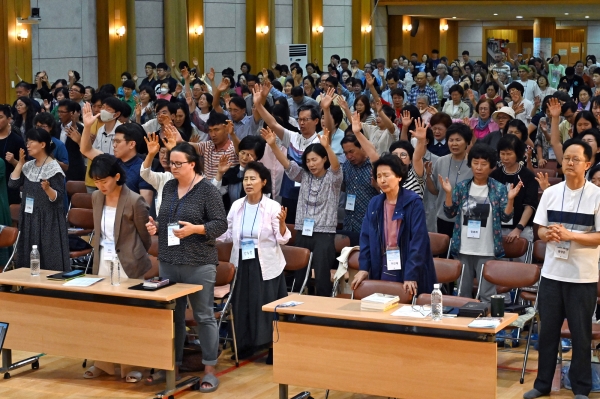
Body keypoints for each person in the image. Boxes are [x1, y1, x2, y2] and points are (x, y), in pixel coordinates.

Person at [145, 142, 227, 392]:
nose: (173, 167)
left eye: (178, 163)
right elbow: (165, 219)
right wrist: (156, 227)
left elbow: (220, 224)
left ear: (193, 164)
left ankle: (210, 368)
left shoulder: (207, 190)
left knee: (203, 316)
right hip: (169, 260)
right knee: (173, 316)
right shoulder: (169, 186)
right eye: (171, 163)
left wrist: (196, 229)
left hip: (199, 262)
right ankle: (174, 365)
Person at [524, 139, 600, 399]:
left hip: (582, 276)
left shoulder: (597, 195)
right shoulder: (552, 192)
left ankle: (581, 388)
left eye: (575, 159)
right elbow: (540, 229)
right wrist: (549, 235)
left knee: (580, 334)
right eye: (566, 157)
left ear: (587, 164)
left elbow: (599, 236)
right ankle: (542, 384)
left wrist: (571, 236)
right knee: (547, 332)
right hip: (551, 274)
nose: (569, 162)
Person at [83, 154, 152, 382]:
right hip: (103, 263)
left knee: (130, 318)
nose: (100, 185)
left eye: (104, 180)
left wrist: (132, 255)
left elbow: (145, 237)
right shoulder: (95, 198)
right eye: (96, 181)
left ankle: (132, 366)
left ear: (117, 176)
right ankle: (103, 363)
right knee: (103, 316)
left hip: (129, 266)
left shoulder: (134, 200)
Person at [217, 161, 290, 364]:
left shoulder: (272, 206)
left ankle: (272, 348)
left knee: (265, 305)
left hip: (265, 263)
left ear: (263, 182)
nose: (248, 183)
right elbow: (228, 233)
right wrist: (207, 232)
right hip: (241, 260)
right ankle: (245, 346)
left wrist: (283, 223)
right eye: (246, 179)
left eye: (253, 179)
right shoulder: (237, 205)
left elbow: (283, 239)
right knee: (241, 305)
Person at [262, 125, 341, 297]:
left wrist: (327, 147)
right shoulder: (304, 175)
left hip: (324, 233)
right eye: (308, 160)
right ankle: (295, 311)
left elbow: (336, 167)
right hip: (303, 230)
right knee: (299, 274)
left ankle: (322, 312)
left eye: (315, 160)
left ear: (324, 159)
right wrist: (274, 145)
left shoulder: (333, 178)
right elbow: (287, 164)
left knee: (321, 275)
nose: (311, 164)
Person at [440, 143, 522, 302]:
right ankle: (461, 323)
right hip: (463, 248)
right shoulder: (462, 187)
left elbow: (506, 217)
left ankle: (486, 323)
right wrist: (448, 194)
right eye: (475, 163)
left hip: (487, 249)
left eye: (484, 164)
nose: (479, 167)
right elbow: (449, 212)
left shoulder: (498, 189)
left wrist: (510, 200)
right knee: (462, 292)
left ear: (491, 166)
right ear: (470, 164)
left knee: (487, 294)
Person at [351, 154, 436, 296]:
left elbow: (418, 241)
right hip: (382, 262)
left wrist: (411, 275)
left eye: (386, 175)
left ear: (399, 176)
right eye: (379, 176)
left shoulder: (413, 202)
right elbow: (365, 237)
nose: (382, 180)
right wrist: (364, 268)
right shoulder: (375, 203)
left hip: (408, 264)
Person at [9, 128, 69, 271]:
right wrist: (20, 162)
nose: (27, 145)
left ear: (42, 145)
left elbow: (59, 198)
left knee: (48, 257)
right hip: (29, 216)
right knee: (28, 255)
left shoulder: (53, 167)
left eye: (31, 142)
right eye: (27, 142)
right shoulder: (29, 165)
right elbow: (13, 184)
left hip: (48, 219)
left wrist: (48, 189)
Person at [490, 135, 539, 261]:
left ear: (518, 154)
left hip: (522, 229)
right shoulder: (495, 175)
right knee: (499, 270)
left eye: (509, 154)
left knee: (522, 271)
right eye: (502, 154)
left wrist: (519, 228)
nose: (505, 158)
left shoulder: (528, 176)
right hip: (498, 228)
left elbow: (530, 205)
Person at [426, 123, 474, 237]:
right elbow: (435, 191)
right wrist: (427, 176)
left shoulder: (474, 164)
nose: (454, 144)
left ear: (467, 142)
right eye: (451, 140)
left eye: (458, 140)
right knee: (444, 252)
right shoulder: (441, 161)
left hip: (468, 218)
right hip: (443, 217)